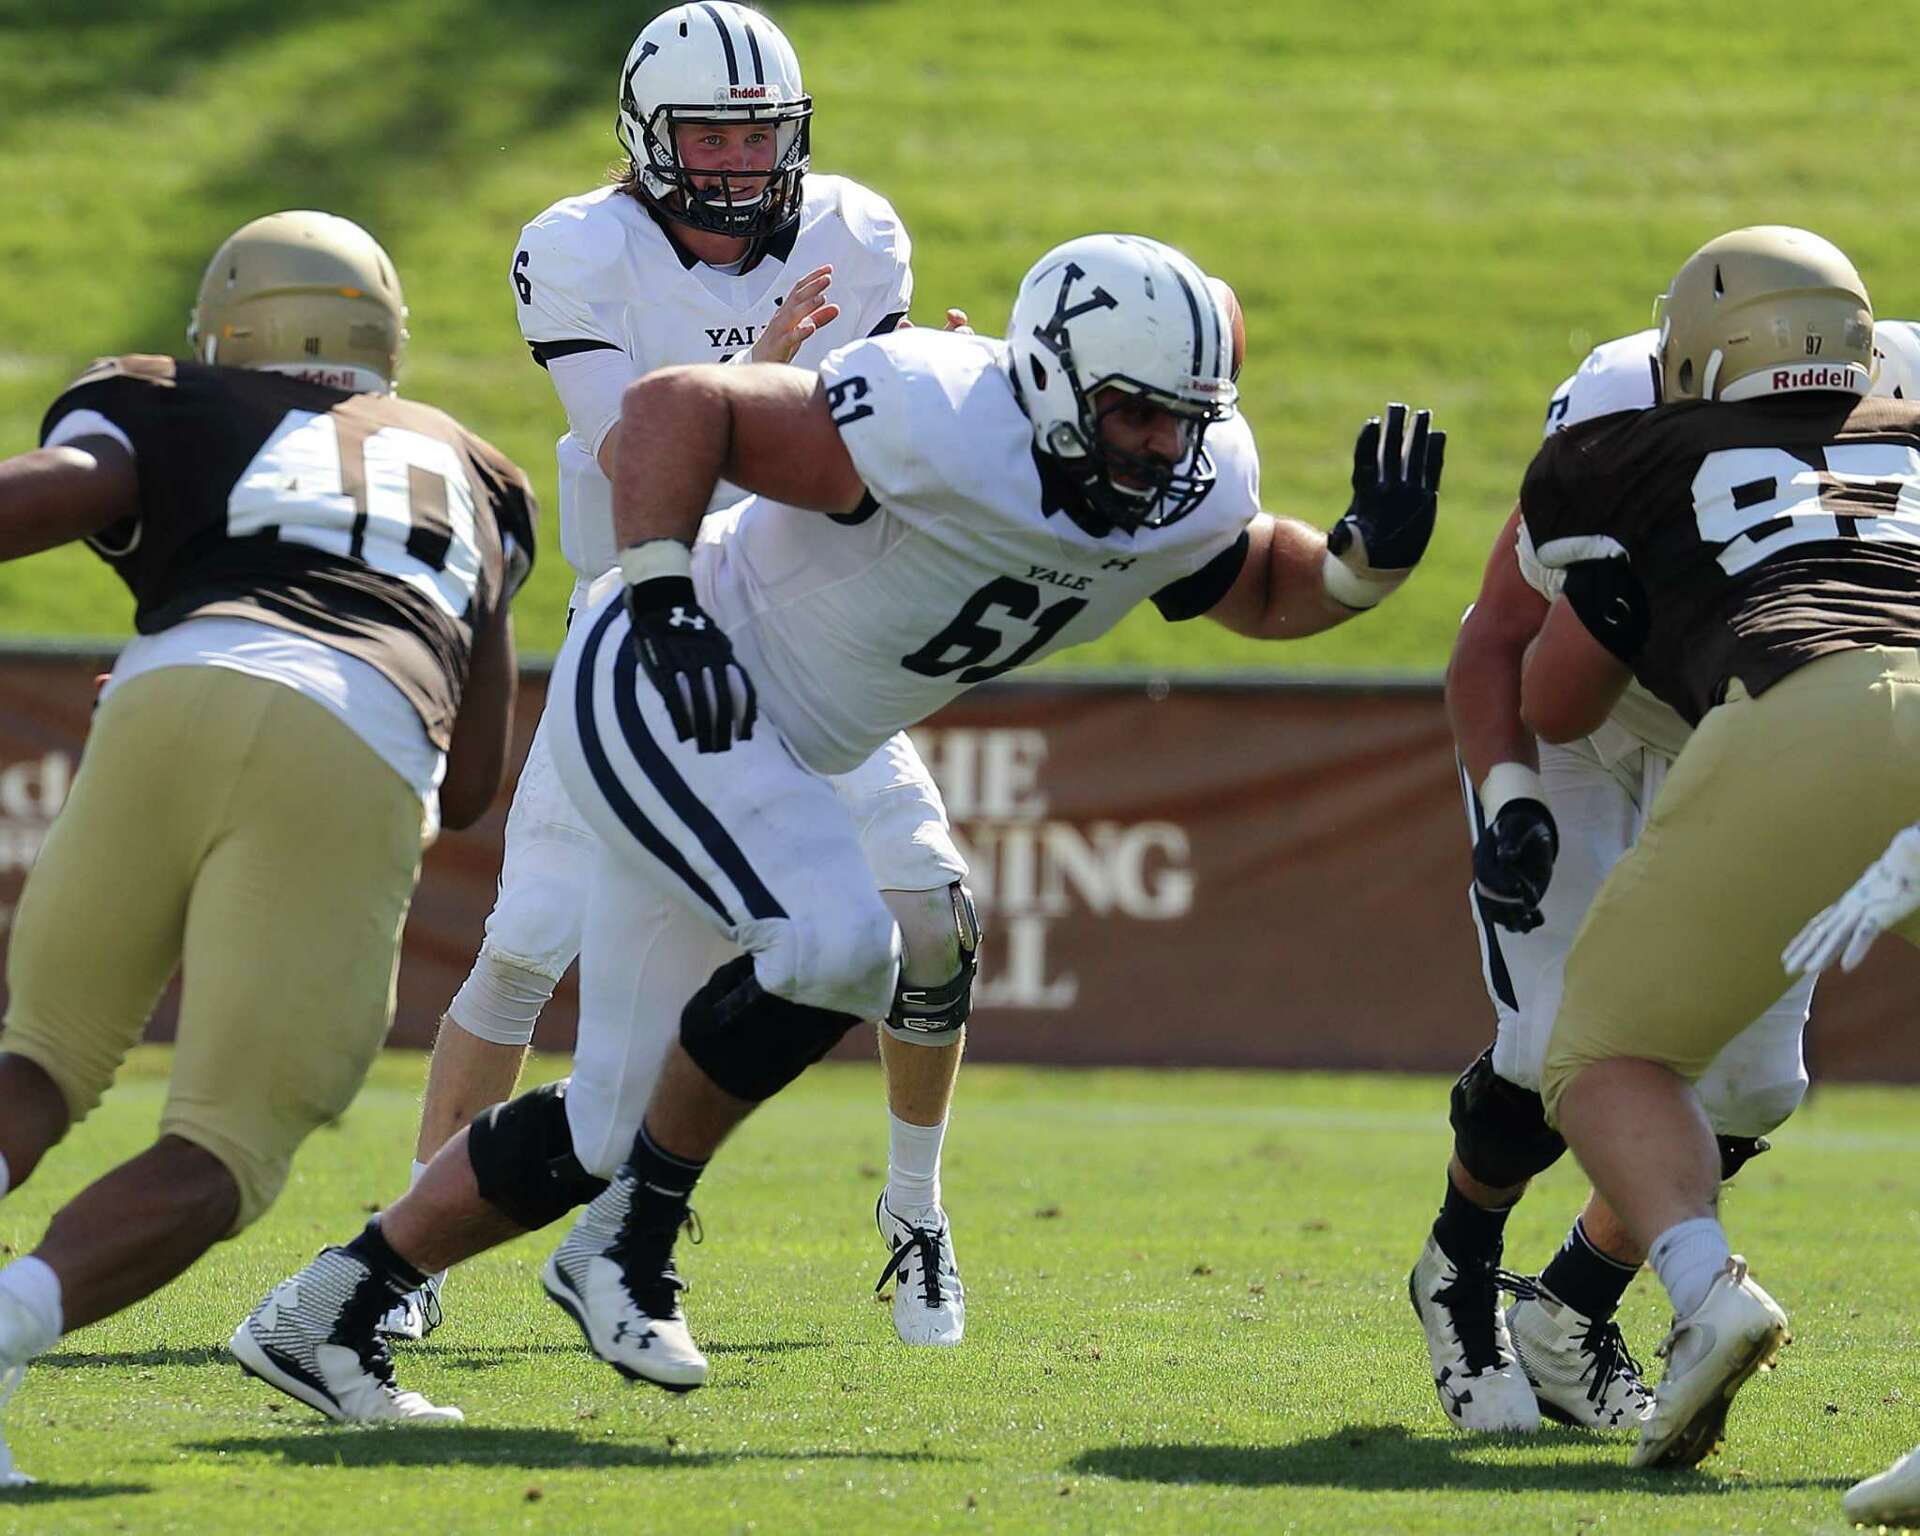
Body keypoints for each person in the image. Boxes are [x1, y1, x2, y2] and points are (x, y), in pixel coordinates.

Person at [379, 0, 980, 1351]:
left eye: (757, 134)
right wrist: (754, 386)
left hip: (802, 622)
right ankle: (407, 1250)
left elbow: (859, 473)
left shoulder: (856, 234)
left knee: (934, 916)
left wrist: (951, 403)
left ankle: (916, 1208)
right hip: (640, 621)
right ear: (648, 137)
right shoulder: (578, 249)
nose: (735, 159)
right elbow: (642, 466)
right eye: (708, 133)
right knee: (528, 941)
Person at [0, 210, 536, 1470]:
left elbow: (56, 492)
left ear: (226, 329)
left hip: (167, 689)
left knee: (39, 1062)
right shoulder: (474, 470)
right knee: (225, 1149)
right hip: (359, 724)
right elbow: (472, 787)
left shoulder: (172, 397)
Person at [1405, 307, 1920, 1433]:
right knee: (1554, 1044)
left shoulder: (1904, 387)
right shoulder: (1618, 408)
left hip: (1761, 719)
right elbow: (1499, 641)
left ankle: (1573, 1307)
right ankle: (1459, 1265)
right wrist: (1511, 795)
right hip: (1595, 721)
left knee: (1751, 1084)